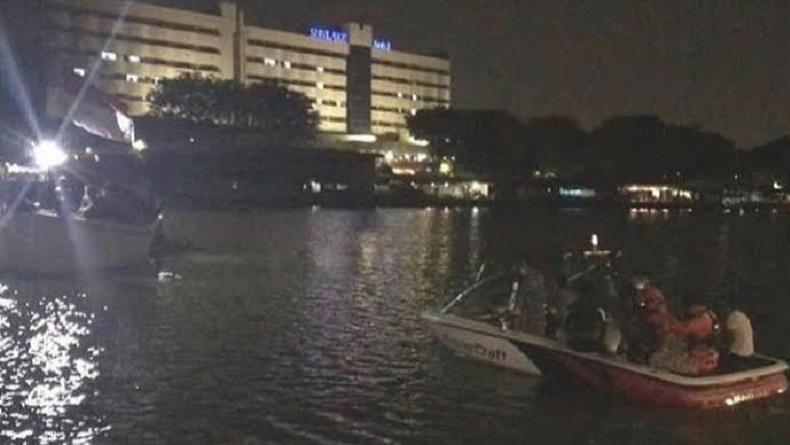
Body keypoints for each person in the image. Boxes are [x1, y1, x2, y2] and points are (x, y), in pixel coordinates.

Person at [723, 294, 754, 358]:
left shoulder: (733, 316)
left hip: (738, 353)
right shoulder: (742, 316)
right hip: (749, 352)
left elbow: (730, 337)